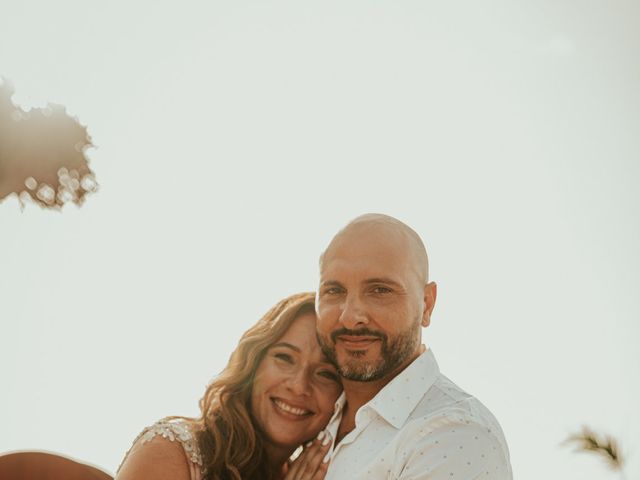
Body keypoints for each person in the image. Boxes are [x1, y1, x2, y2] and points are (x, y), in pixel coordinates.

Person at [315, 214, 513, 479]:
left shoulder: (453, 435)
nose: (350, 317)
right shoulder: (311, 417)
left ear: (427, 304)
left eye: (380, 290)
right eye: (334, 291)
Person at [116, 292, 342, 480]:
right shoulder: (172, 451)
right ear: (253, 363)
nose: (299, 385)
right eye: (284, 358)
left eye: (326, 373)